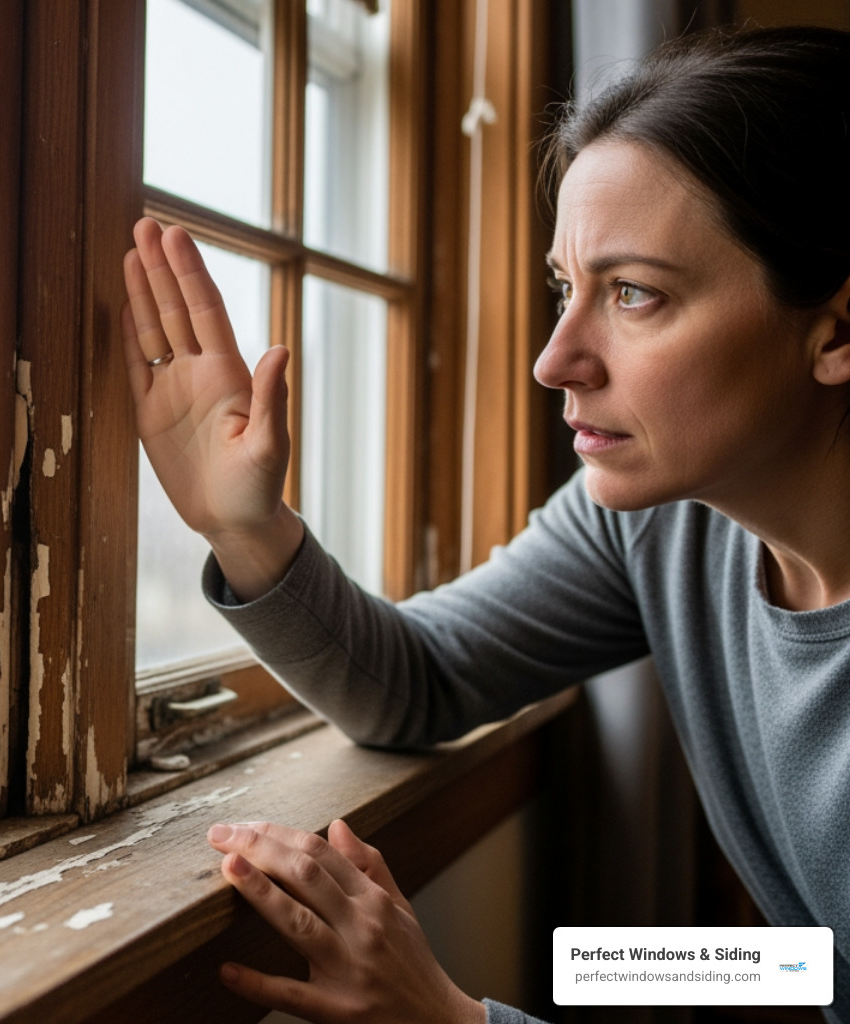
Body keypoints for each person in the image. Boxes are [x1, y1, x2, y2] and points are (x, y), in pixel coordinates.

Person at [120, 25, 850, 1024]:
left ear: (836, 331)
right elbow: (418, 682)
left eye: (635, 293)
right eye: (565, 287)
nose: (555, 360)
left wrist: (451, 1017)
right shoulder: (668, 525)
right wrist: (245, 527)